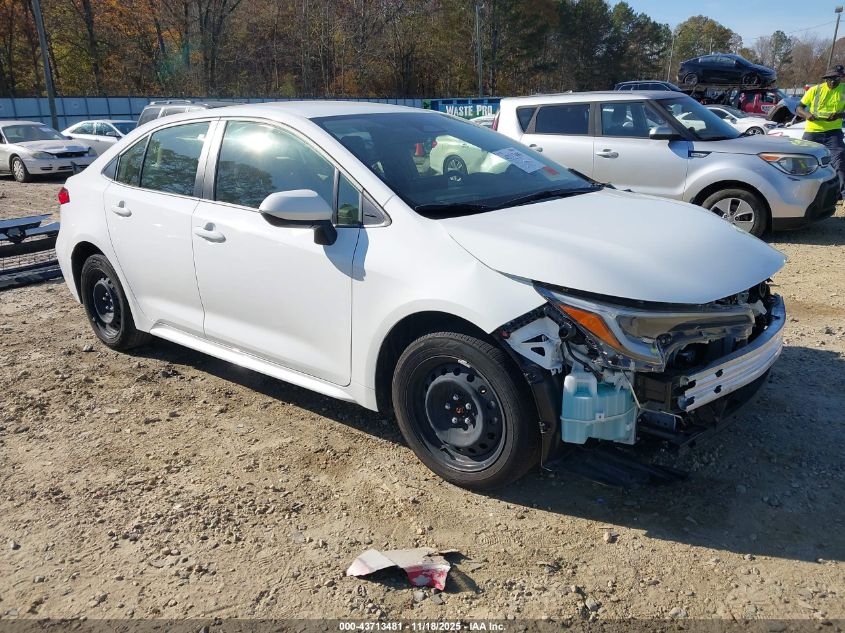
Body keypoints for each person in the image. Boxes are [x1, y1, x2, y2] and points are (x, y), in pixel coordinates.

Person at [797, 67, 845, 199]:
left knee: (839, 159)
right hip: (813, 131)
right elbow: (799, 107)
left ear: (840, 78)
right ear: (826, 79)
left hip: (833, 132)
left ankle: (843, 195)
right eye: (830, 79)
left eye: (836, 79)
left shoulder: (844, 90)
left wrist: (840, 115)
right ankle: (801, 192)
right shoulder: (815, 90)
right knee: (802, 160)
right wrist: (807, 114)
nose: (833, 82)